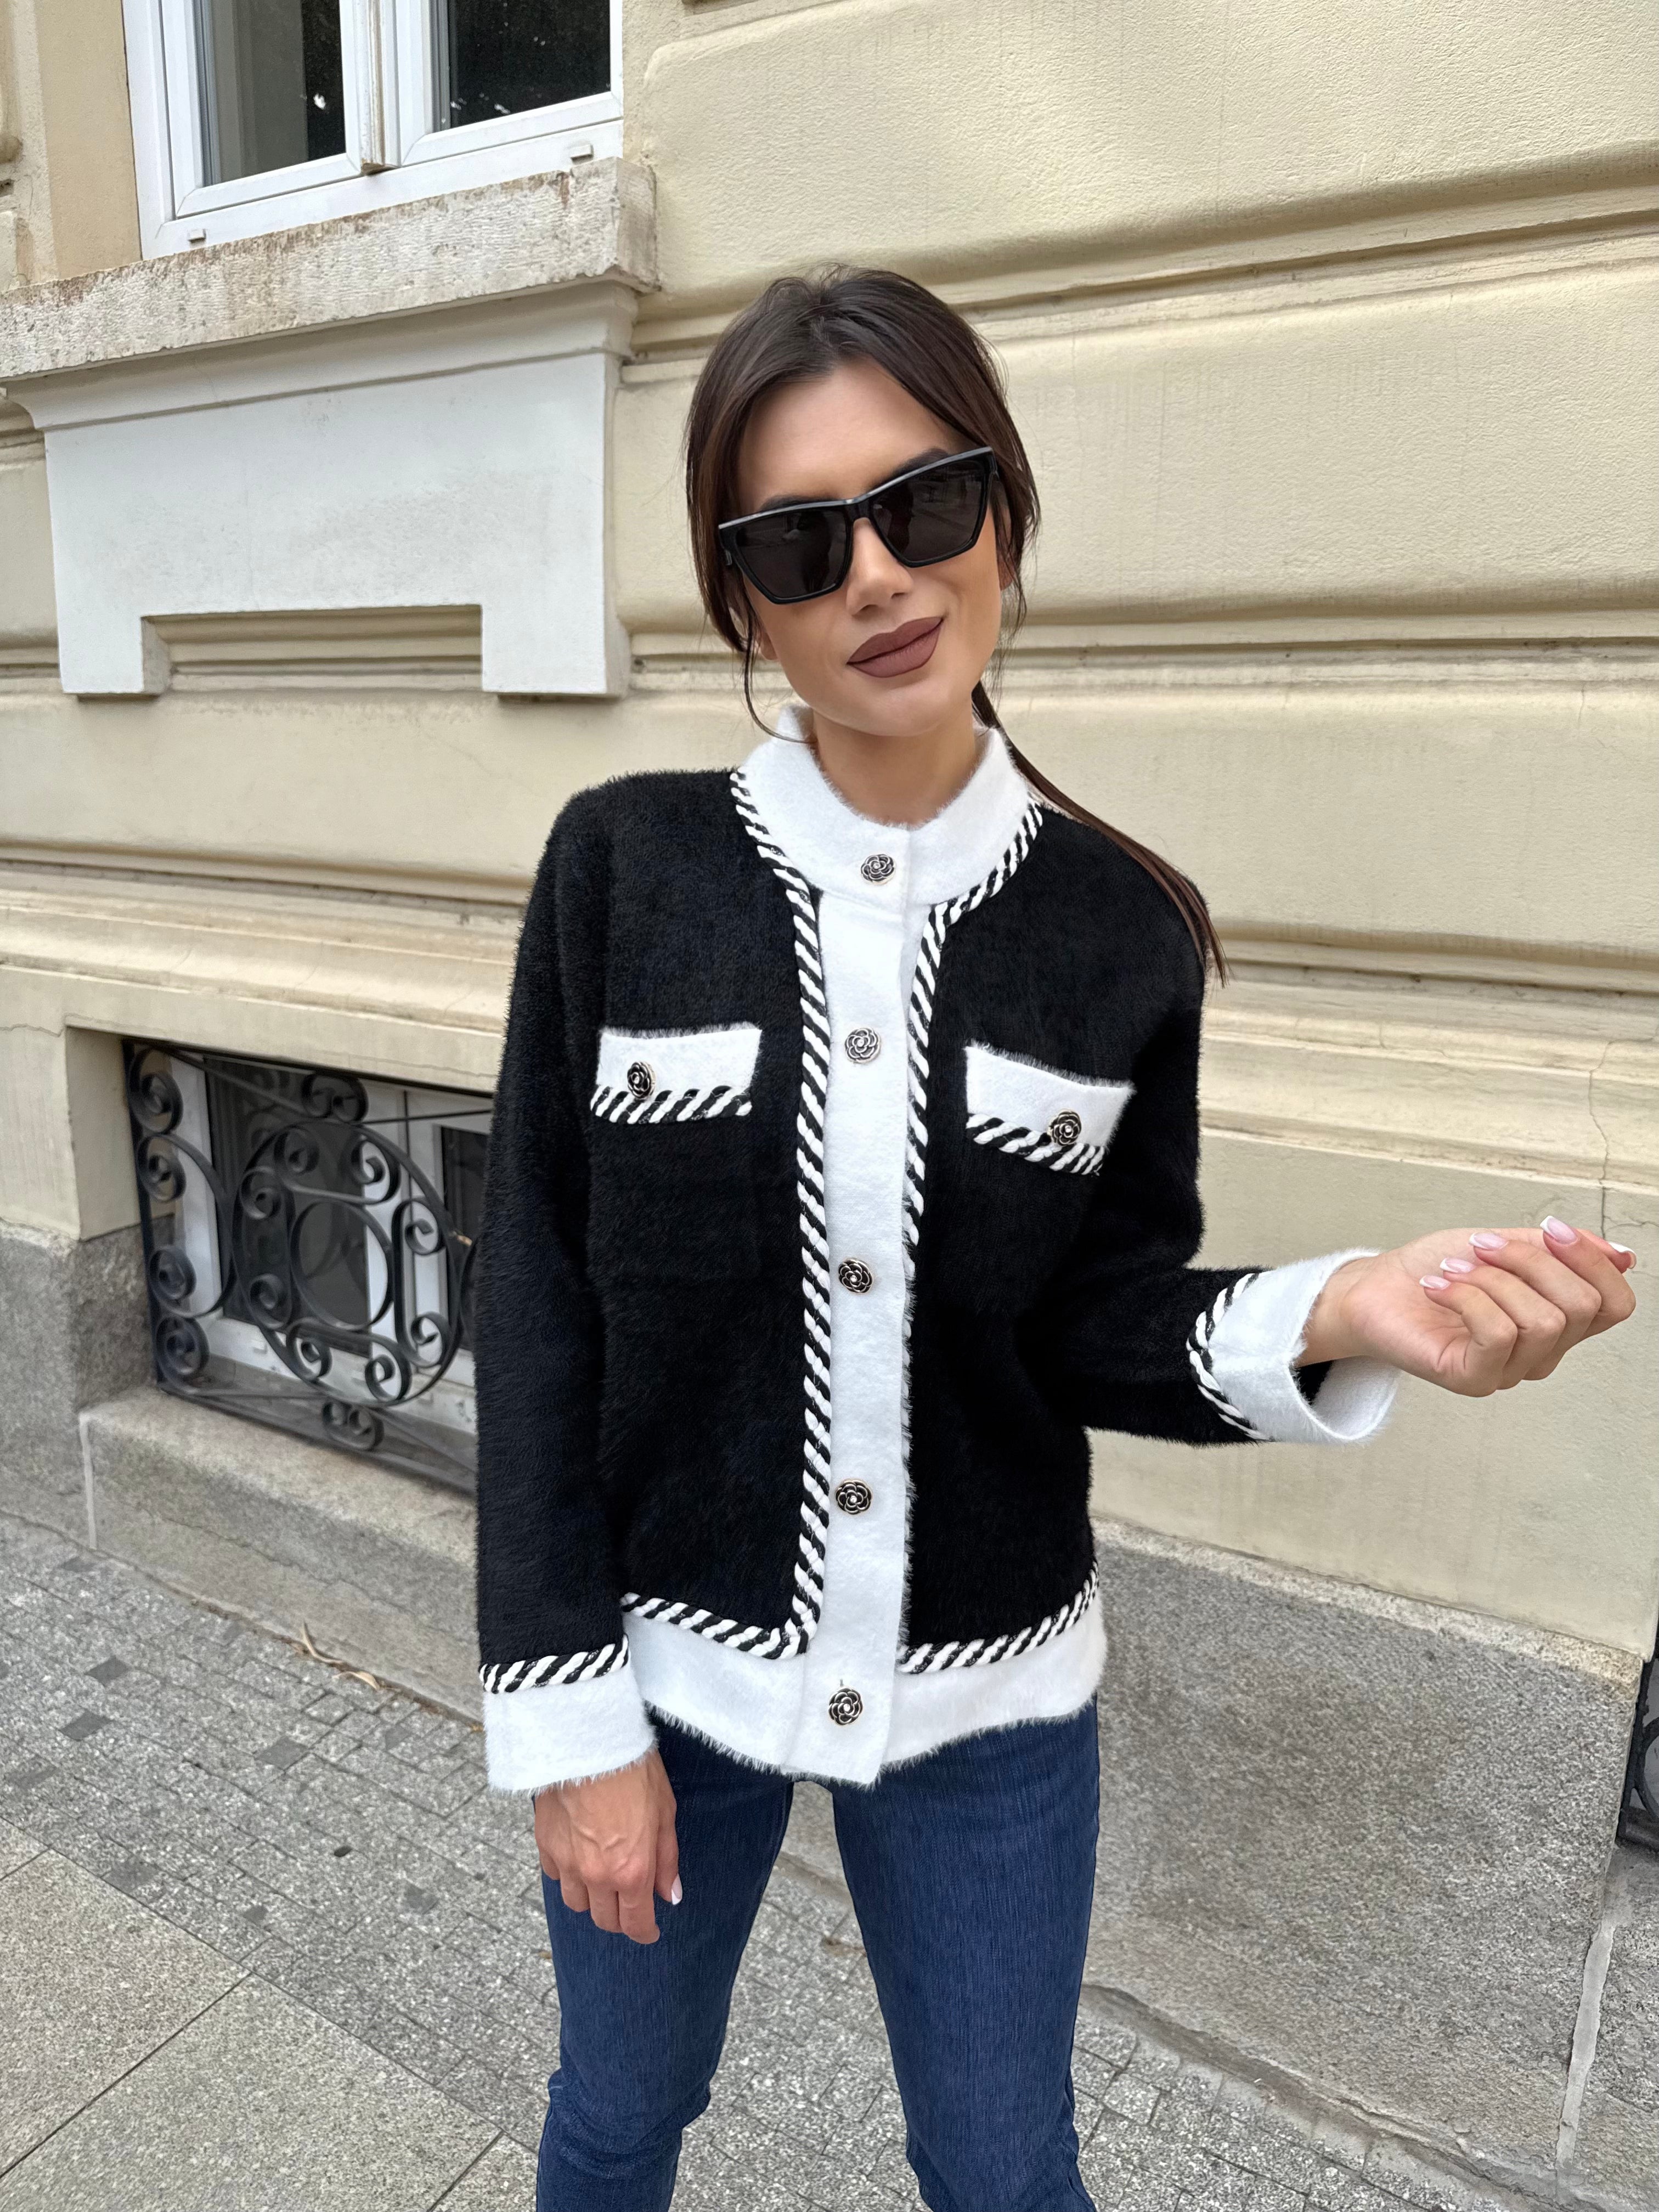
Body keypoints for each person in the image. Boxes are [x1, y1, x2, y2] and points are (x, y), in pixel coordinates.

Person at [470, 267, 1637, 2212]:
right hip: (662, 1670)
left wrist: (1348, 1312)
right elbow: (537, 1298)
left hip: (989, 1690)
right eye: (798, 541)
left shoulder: (1120, 930)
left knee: (1008, 2171)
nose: (878, 574)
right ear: (745, 602)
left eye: (923, 502)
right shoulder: (624, 869)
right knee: (620, 2115)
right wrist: (566, 1712)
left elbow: (1097, 1316)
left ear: (1002, 508)